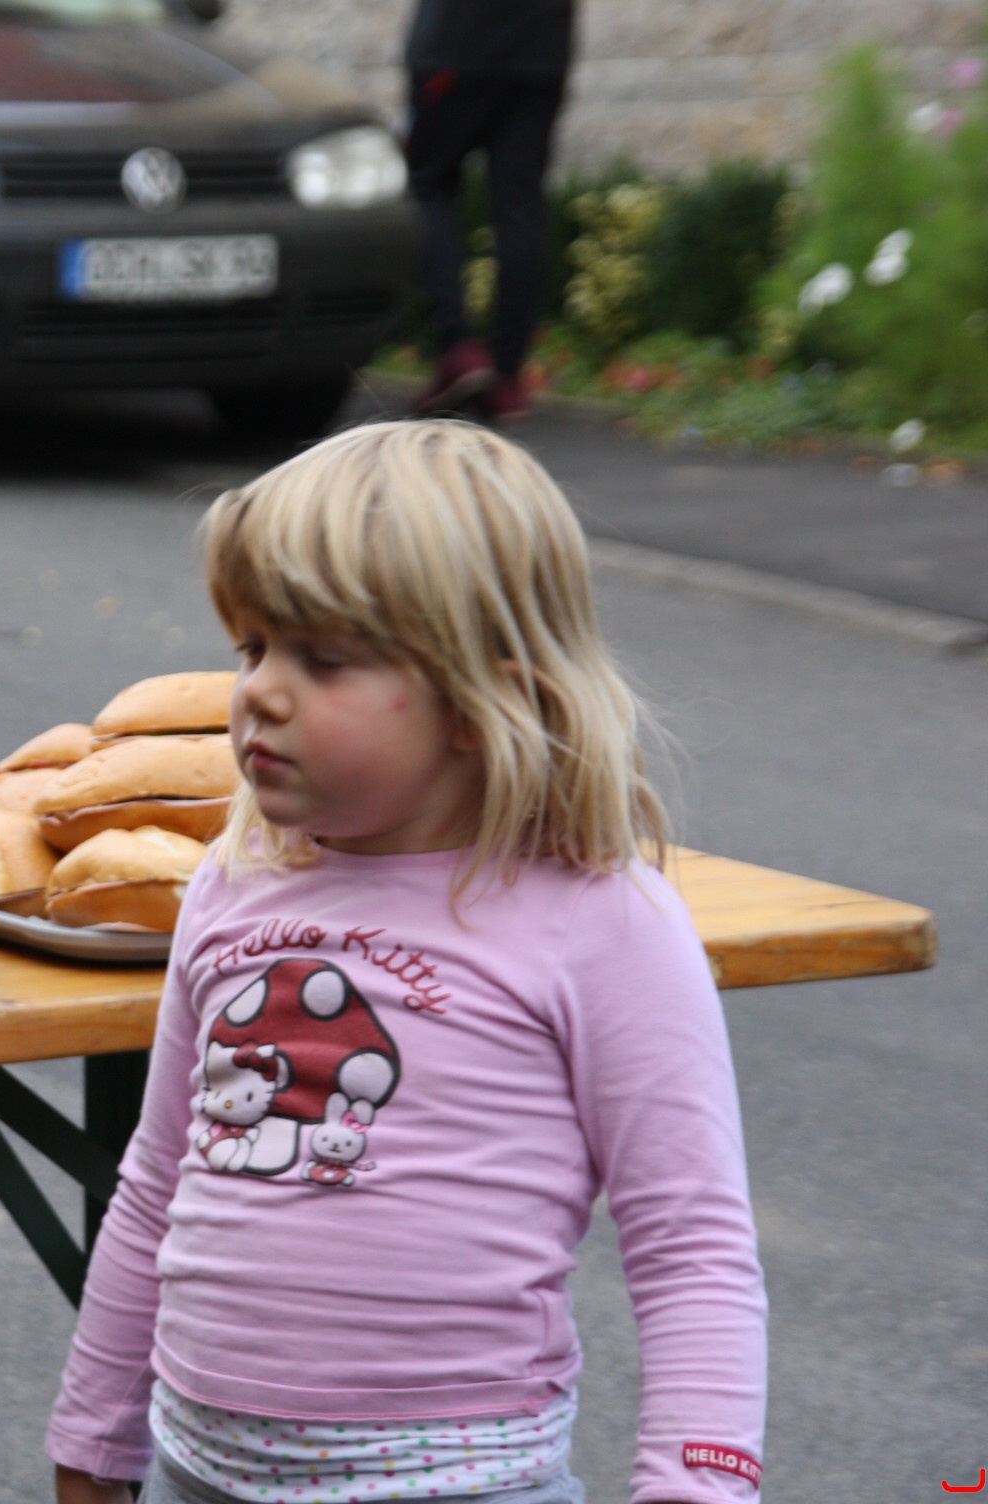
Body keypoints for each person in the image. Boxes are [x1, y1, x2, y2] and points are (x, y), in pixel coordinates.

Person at [48, 421, 767, 1504]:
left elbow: (692, 1247)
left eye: (324, 659)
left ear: (485, 702)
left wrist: (699, 1485)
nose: (261, 691)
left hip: (457, 1479)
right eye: (253, 647)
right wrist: (94, 1440)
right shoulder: (235, 881)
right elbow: (156, 1179)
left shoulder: (599, 917)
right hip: (200, 1465)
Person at [403, 0, 576, 423]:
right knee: (520, 208)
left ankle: (458, 348)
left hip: (456, 46)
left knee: (431, 186)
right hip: (540, 53)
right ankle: (507, 377)